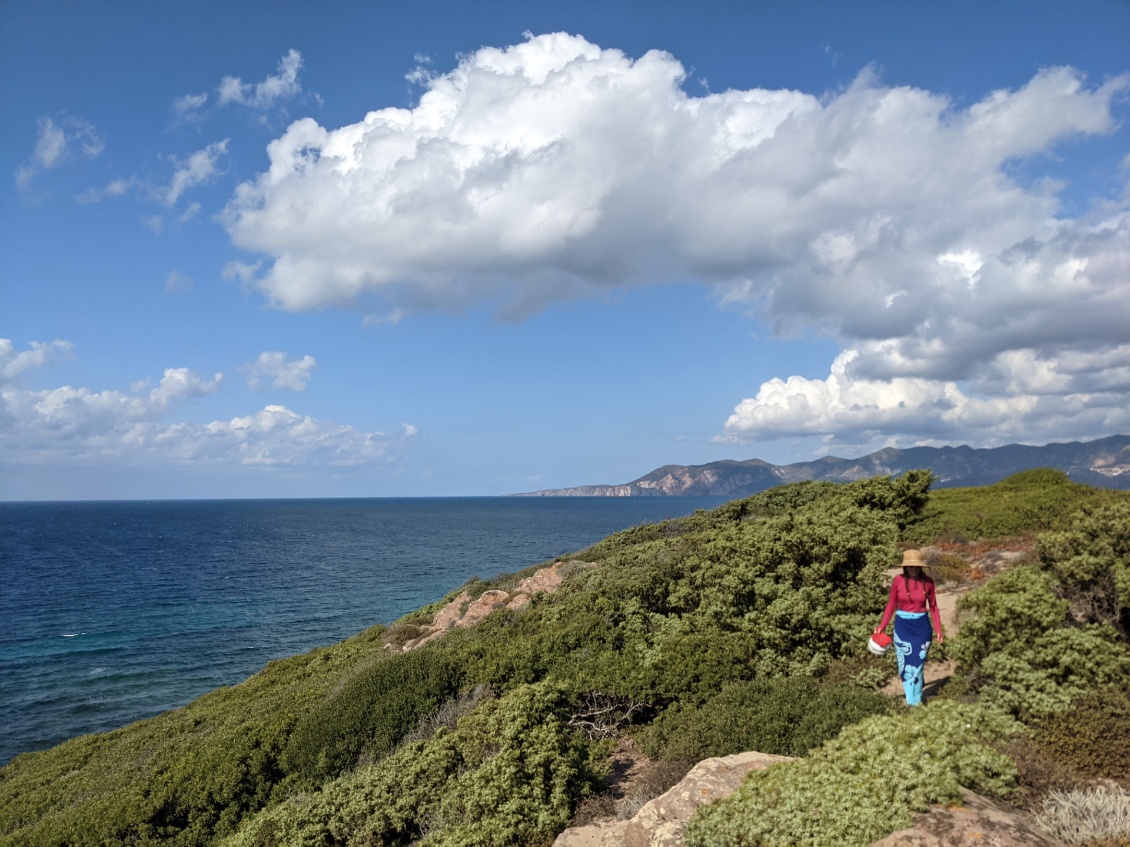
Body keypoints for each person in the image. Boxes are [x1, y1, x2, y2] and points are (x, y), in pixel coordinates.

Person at [874, 549, 944, 706]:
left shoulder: (929, 582)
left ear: (921, 567)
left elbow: (933, 607)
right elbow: (891, 604)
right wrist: (882, 626)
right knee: (904, 665)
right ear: (905, 567)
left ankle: (914, 703)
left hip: (922, 628)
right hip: (902, 626)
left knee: (917, 664)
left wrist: (938, 629)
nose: (914, 569)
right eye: (910, 567)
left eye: (917, 566)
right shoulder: (898, 581)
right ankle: (915, 690)